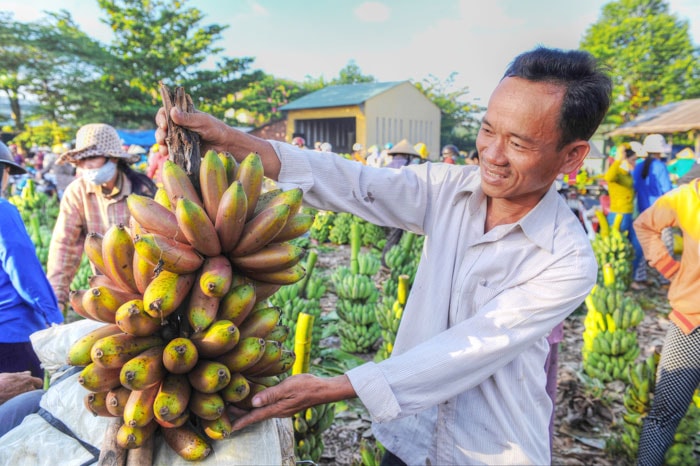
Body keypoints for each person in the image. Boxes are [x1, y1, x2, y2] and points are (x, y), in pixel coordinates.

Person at [155, 46, 611, 465]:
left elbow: (475, 345)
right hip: (409, 438)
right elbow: (357, 185)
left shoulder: (566, 259)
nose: (491, 153)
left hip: (492, 448)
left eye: (519, 143)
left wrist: (340, 386)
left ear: (572, 157)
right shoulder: (448, 190)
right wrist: (231, 141)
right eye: (487, 129)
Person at [46, 123, 157, 311]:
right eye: (82, 160)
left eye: (92, 157)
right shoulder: (77, 192)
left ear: (113, 158)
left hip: (152, 283)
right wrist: (57, 297)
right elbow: (64, 246)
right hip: (106, 291)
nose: (86, 165)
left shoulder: (143, 190)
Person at [633, 177, 700, 466]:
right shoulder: (687, 198)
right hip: (692, 323)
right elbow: (645, 225)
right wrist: (668, 267)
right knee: (664, 413)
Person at [0, 140, 64, 379]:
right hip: (12, 334)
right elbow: (22, 269)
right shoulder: (2, 210)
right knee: (20, 410)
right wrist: (53, 317)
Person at [632, 133, 674, 289]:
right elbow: (668, 191)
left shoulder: (638, 166)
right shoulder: (660, 166)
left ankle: (639, 278)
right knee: (665, 246)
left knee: (645, 245)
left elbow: (635, 187)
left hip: (643, 211)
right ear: (660, 150)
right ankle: (664, 280)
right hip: (660, 213)